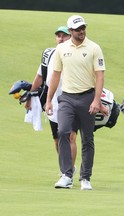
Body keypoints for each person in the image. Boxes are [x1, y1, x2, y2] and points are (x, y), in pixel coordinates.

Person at [46, 15, 107, 190]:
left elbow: (100, 75)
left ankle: (85, 178)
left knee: (87, 138)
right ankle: (66, 175)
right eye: (78, 29)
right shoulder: (61, 49)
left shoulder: (94, 48)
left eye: (83, 28)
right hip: (67, 98)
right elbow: (55, 75)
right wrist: (49, 100)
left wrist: (97, 100)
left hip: (88, 97)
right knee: (63, 132)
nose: (81, 31)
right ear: (70, 31)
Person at [25, 26, 78, 170]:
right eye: (58, 36)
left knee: (70, 137)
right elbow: (39, 77)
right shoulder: (49, 54)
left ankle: (68, 172)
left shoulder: (77, 55)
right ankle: (67, 168)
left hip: (73, 101)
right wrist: (30, 95)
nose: (61, 38)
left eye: (64, 35)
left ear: (71, 36)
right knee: (57, 140)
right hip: (52, 103)